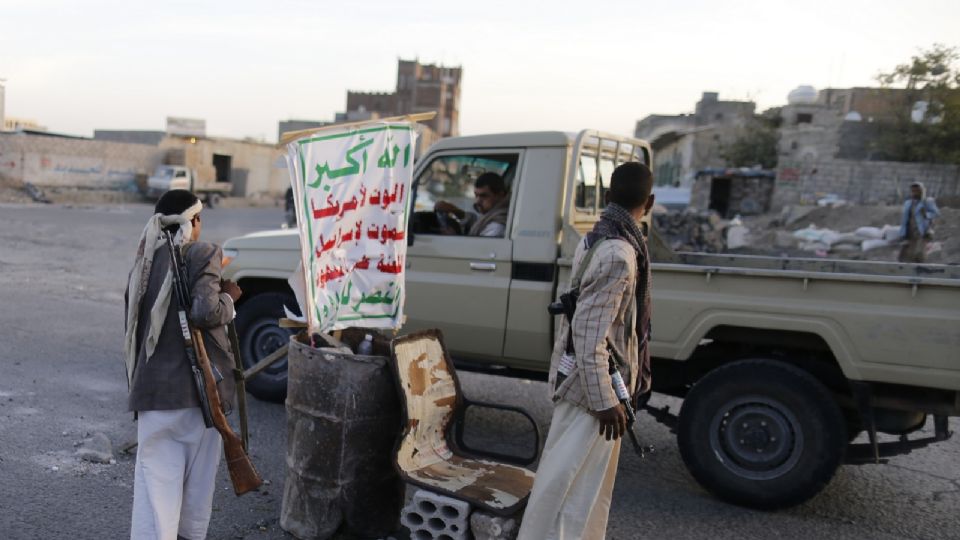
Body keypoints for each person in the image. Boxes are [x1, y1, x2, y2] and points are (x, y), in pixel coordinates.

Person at [518, 162, 655, 540]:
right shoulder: (619, 254)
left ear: (608, 198)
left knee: (577, 494)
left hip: (587, 385)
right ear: (651, 202)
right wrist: (604, 400)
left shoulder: (597, 238)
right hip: (590, 392)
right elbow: (589, 335)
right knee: (567, 497)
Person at [124, 189, 242, 540]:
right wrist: (229, 300)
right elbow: (205, 311)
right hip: (198, 397)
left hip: (152, 397)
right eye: (199, 217)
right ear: (193, 222)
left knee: (154, 498)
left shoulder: (144, 262)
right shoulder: (204, 253)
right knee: (195, 495)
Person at [434, 172, 510, 237]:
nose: (478, 201)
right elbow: (475, 221)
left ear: (500, 195)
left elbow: (479, 250)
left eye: (484, 196)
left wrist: (454, 238)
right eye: (476, 195)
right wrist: (454, 210)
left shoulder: (498, 225)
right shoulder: (491, 214)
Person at [898, 181, 940, 263]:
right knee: (905, 254)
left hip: (922, 232)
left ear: (922, 191)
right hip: (909, 232)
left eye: (917, 191)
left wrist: (926, 214)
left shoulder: (927, 202)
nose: (914, 193)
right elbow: (904, 220)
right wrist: (902, 233)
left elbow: (936, 213)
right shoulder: (908, 203)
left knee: (919, 253)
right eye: (913, 191)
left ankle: (920, 270)